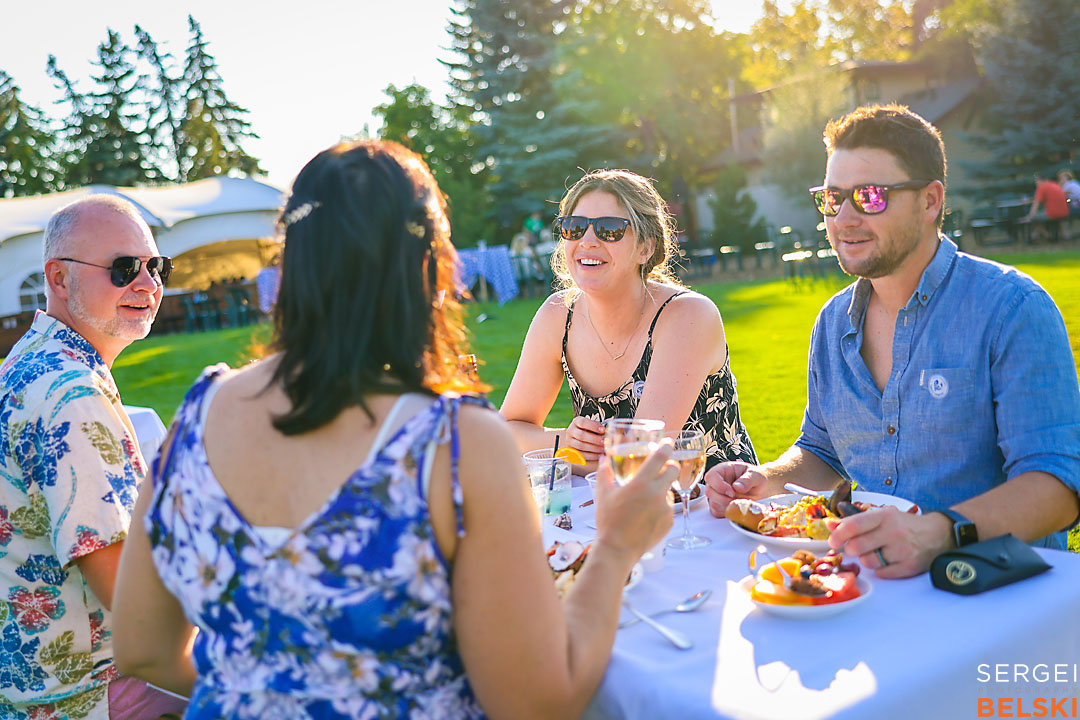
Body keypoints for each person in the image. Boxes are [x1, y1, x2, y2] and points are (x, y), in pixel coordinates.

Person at [111, 140, 676, 718]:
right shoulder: (453, 441)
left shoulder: (199, 410)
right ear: (432, 265)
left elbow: (141, 648)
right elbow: (535, 702)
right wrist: (615, 548)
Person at [705, 104, 1080, 579]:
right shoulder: (832, 323)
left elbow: (1057, 488)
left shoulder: (1012, 308)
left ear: (930, 201)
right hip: (872, 584)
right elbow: (821, 450)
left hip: (993, 590)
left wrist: (937, 532)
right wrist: (766, 480)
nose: (843, 218)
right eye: (832, 198)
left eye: (870, 196)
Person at [0, 195, 185, 719]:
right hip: (87, 694)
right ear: (58, 279)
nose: (147, 284)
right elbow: (132, 603)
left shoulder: (26, 362)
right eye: (123, 268)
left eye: (156, 266)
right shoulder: (72, 394)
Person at [500, 169, 757, 472]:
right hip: (606, 497)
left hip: (707, 495)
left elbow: (641, 457)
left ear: (646, 248)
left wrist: (555, 455)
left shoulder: (688, 316)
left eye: (609, 229)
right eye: (575, 227)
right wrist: (565, 441)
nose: (587, 241)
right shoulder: (558, 314)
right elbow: (506, 432)